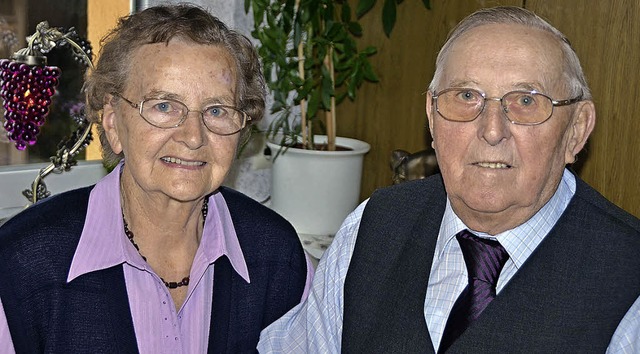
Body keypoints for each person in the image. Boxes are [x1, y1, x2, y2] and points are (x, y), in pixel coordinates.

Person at [258, 6, 640, 353]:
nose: (492, 130)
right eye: (467, 95)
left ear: (576, 130)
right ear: (431, 116)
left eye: (525, 101)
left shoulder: (628, 284)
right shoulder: (372, 228)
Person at [0, 4, 313, 353]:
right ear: (113, 124)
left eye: (217, 110)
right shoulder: (20, 265)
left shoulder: (277, 256)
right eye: (163, 106)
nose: (193, 136)